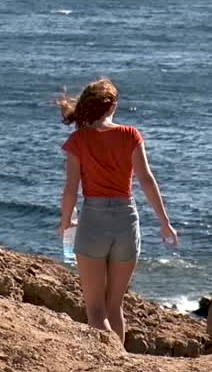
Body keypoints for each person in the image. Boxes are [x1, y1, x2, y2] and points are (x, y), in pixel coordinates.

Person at [56, 78, 177, 344]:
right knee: (115, 307)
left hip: (93, 222)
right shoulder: (130, 135)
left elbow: (70, 189)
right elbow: (146, 179)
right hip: (126, 220)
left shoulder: (78, 140)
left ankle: (107, 362)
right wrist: (164, 222)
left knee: (96, 310)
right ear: (112, 106)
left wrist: (65, 221)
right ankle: (119, 361)